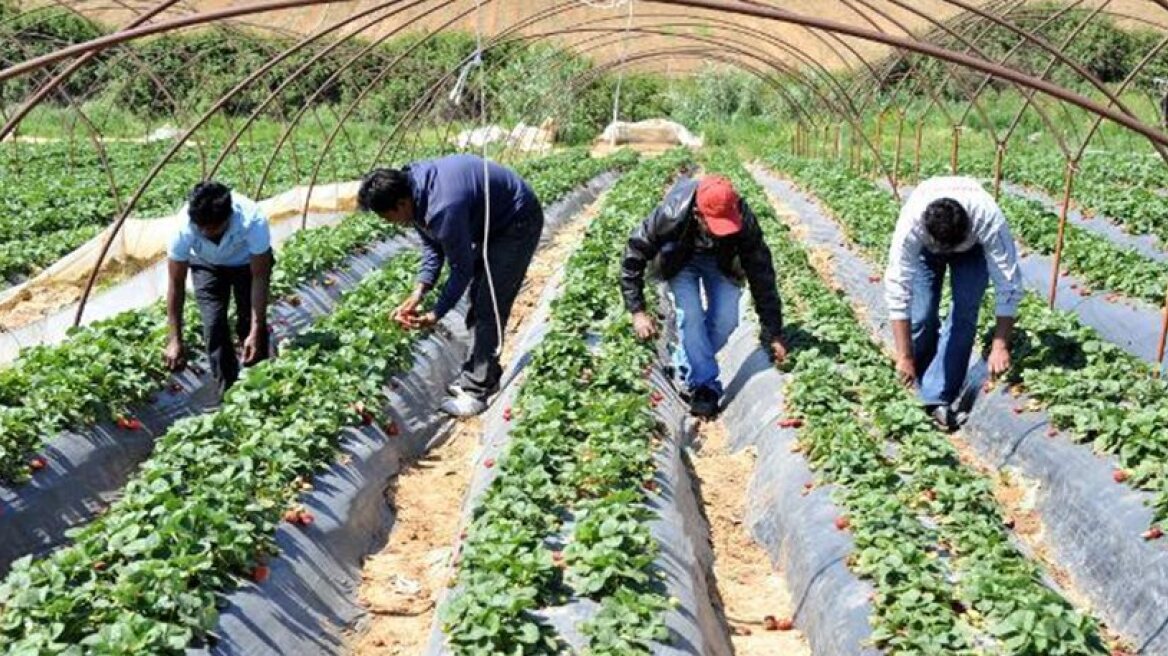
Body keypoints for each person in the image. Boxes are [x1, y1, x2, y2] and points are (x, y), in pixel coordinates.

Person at [357, 154, 544, 418]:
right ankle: (479, 374)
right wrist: (418, 292)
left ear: (400, 204)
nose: (392, 224)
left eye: (389, 217)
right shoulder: (414, 188)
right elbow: (433, 247)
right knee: (479, 298)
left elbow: (461, 268)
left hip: (515, 222)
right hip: (491, 222)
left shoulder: (443, 205)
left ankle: (477, 392)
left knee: (488, 303)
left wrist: (435, 314)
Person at [621, 175, 786, 418]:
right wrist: (637, 310)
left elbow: (761, 271)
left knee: (727, 318)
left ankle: (682, 362)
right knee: (691, 315)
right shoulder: (671, 213)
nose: (721, 231)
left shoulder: (742, 218)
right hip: (681, 260)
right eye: (715, 224)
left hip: (721, 261)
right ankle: (705, 387)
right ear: (698, 214)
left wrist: (773, 331)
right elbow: (633, 255)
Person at [885, 176, 1024, 430]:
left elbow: (1008, 283)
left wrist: (1000, 345)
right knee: (921, 314)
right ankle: (917, 377)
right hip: (927, 250)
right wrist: (904, 355)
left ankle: (937, 396)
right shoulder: (913, 224)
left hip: (972, 251)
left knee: (964, 314)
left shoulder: (987, 219)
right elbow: (897, 287)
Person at [164, 181, 273, 398]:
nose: (206, 232)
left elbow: (260, 276)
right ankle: (229, 392)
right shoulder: (182, 228)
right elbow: (176, 283)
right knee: (213, 325)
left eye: (213, 229)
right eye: (201, 228)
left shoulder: (252, 220)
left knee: (248, 323)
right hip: (207, 266)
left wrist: (256, 328)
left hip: (246, 266)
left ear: (229, 217)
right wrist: (174, 338)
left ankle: (261, 387)